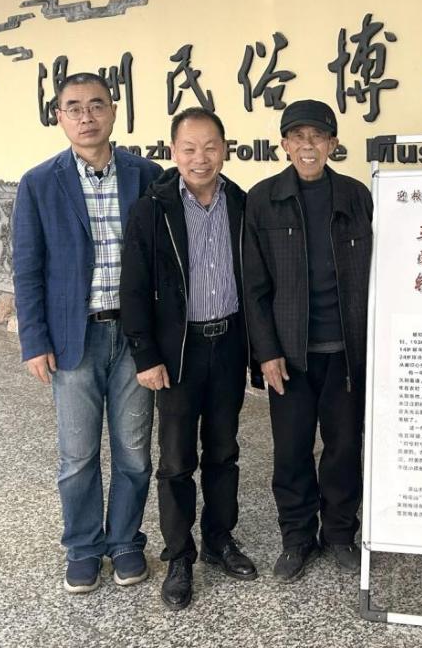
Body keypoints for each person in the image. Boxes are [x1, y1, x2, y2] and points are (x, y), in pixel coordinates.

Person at [13, 72, 162, 593]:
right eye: (73, 107)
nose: (86, 116)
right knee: (77, 456)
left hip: (135, 338)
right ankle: (81, 547)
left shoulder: (146, 175)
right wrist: (34, 340)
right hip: (73, 338)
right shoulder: (38, 183)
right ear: (59, 117)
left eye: (96, 105)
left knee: (134, 452)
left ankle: (124, 542)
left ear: (114, 110)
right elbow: (27, 268)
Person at [120, 107, 259, 610]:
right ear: (174, 152)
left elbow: (255, 281)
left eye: (210, 147)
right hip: (178, 352)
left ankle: (220, 539)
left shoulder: (241, 202)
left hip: (228, 344)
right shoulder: (152, 209)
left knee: (223, 451)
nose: (201, 158)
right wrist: (146, 355)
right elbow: (134, 288)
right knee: (177, 461)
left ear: (225, 149)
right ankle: (180, 555)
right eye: (189, 148)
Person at [242, 99, 373, 582]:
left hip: (346, 353)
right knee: (291, 450)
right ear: (284, 145)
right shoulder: (264, 199)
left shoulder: (357, 196)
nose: (308, 145)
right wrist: (267, 353)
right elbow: (254, 287)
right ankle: (296, 538)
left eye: (318, 136)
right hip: (290, 356)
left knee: (344, 448)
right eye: (297, 137)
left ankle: (339, 534)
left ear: (333, 143)